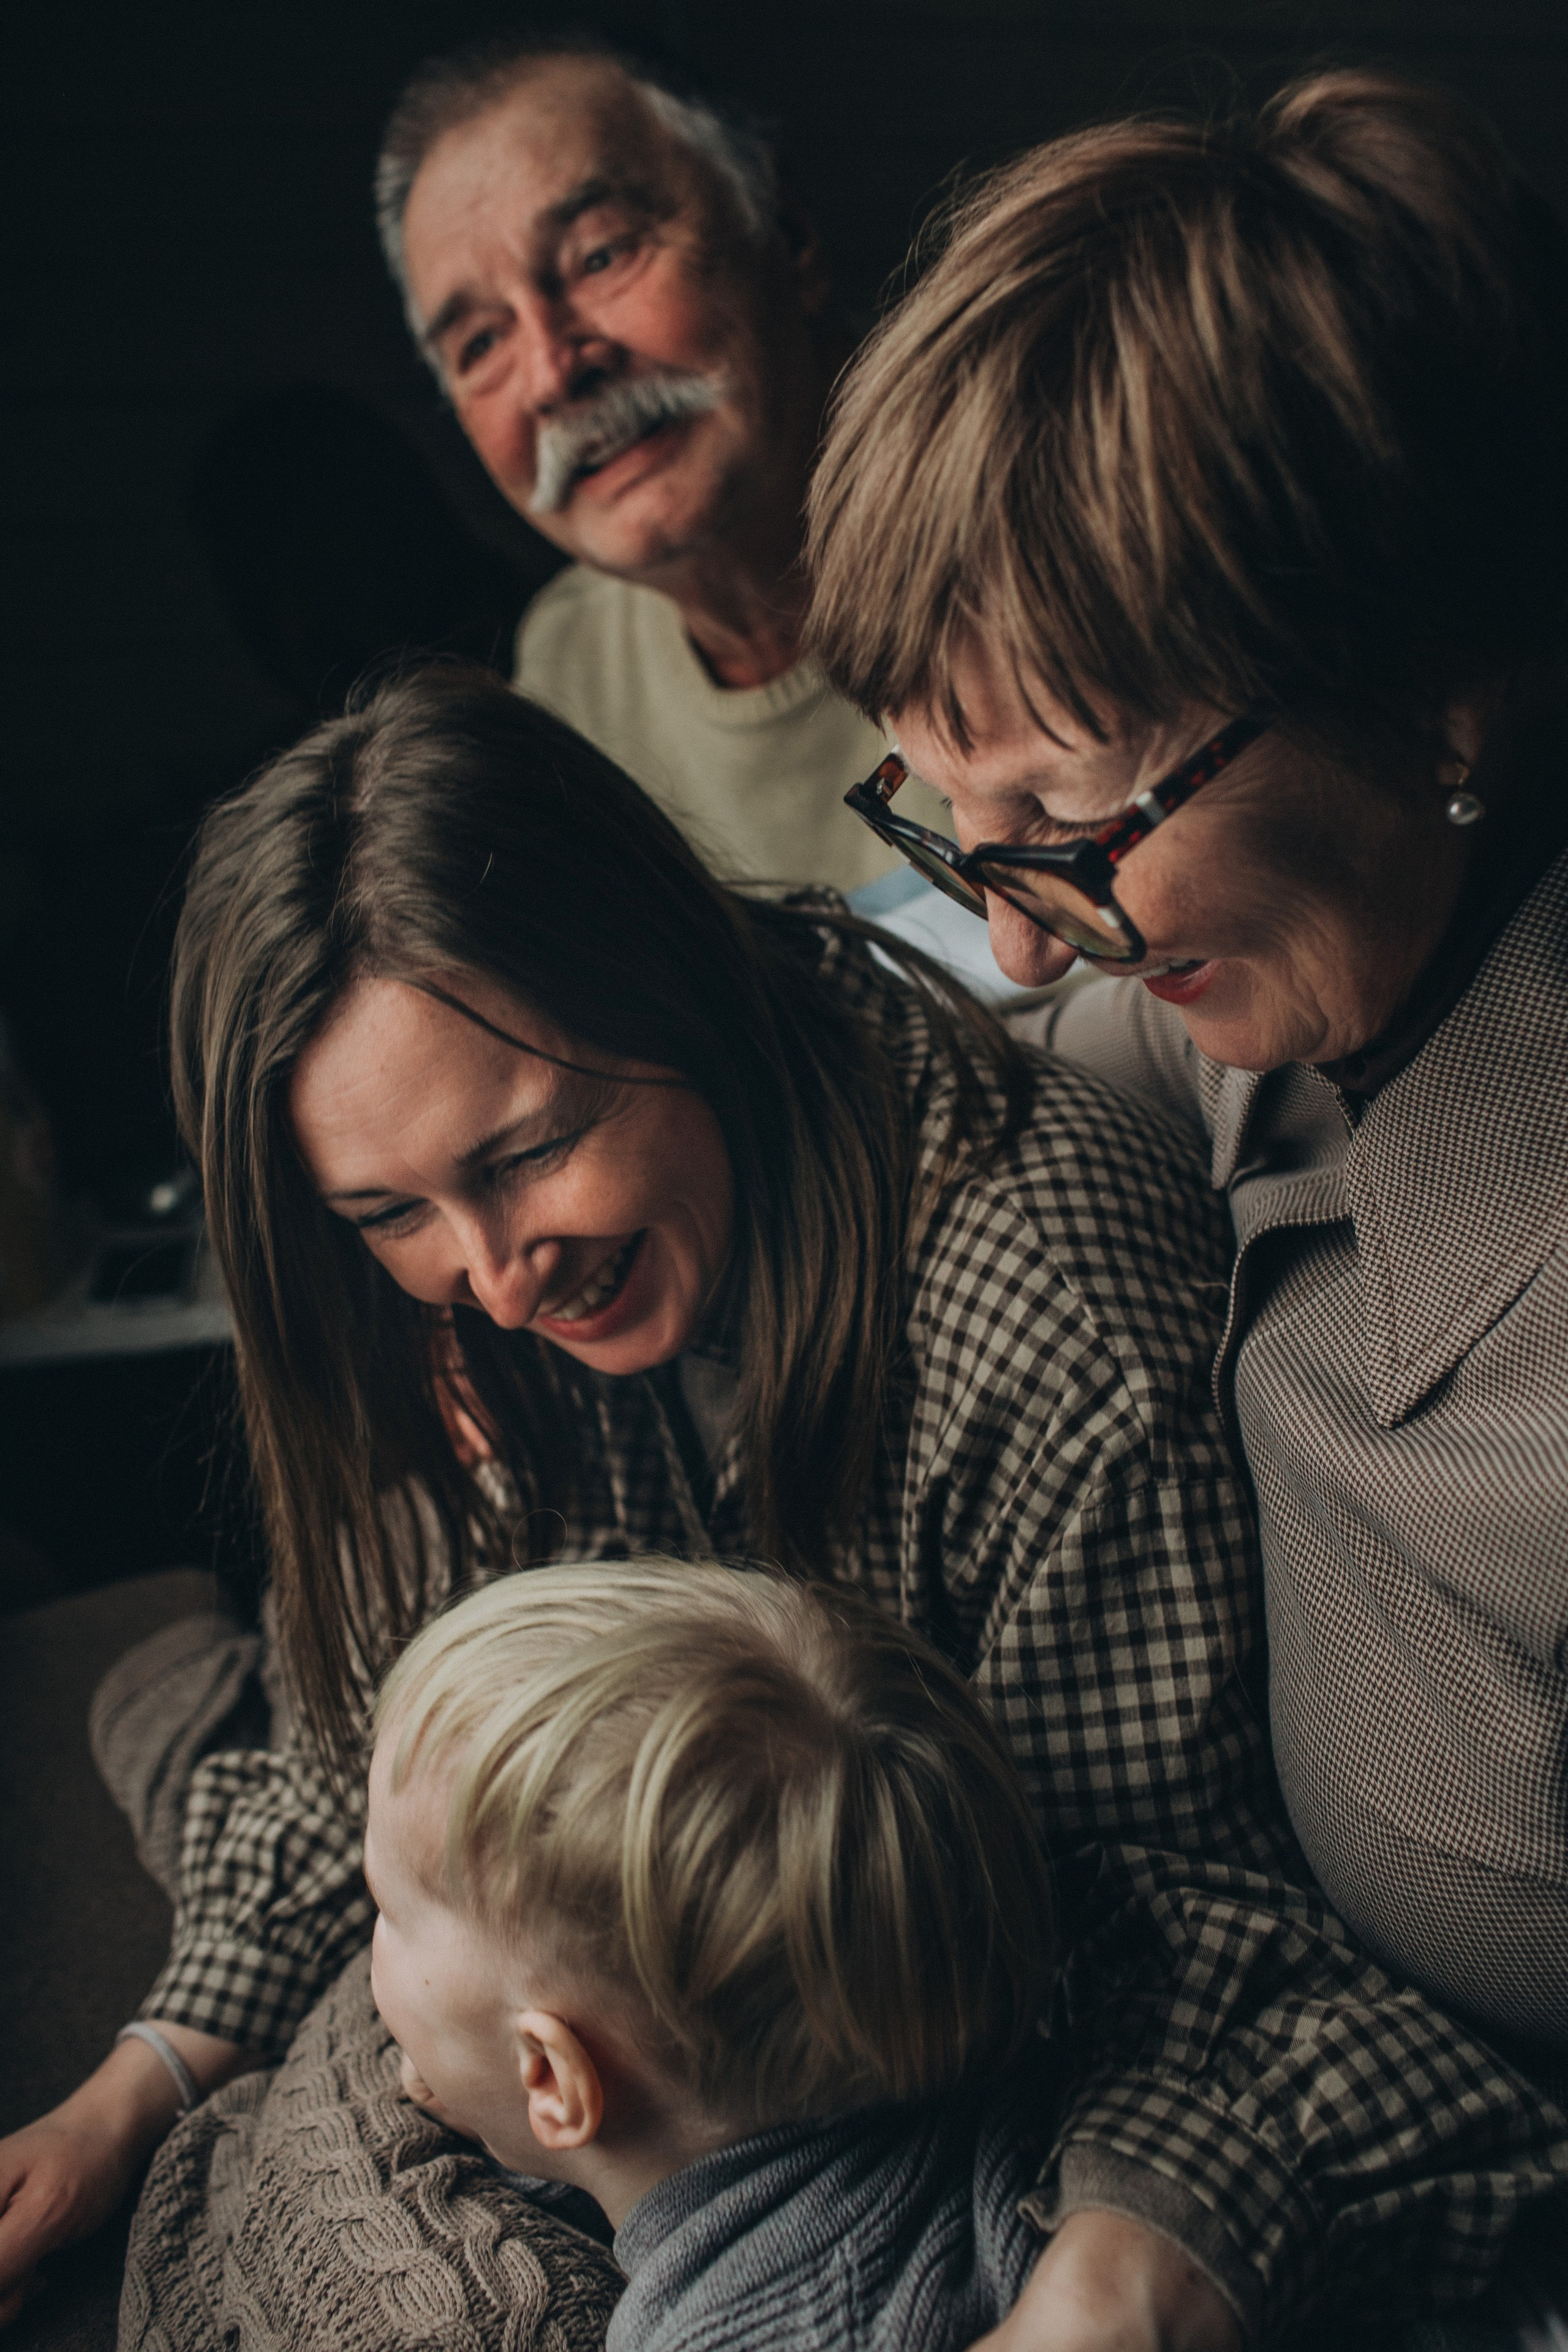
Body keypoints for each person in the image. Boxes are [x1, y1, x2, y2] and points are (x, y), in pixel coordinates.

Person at [0, 668, 1553, 2352]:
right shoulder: (440, 1319)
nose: (496, 1281)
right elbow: (372, 1739)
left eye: (533, 1150)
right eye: (389, 1210)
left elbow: (1179, 1938)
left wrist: (1117, 2277)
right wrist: (132, 2086)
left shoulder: (1037, 1313)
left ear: (679, 991)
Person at [807, 59, 1568, 2324]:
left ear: (1436, 699)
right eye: (949, 826)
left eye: (1062, 827)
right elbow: (938, 1046)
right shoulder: (1279, 981)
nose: (1019, 934)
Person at [366, 1556, 1055, 2352]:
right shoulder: (1017, 2108)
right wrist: (487, 2094)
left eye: (386, 1909)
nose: (367, 1937)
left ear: (552, 2078)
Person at [372, 33, 949, 892]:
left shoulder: (1059, 503)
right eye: (482, 341)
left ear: (787, 237)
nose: (553, 372)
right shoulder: (573, 676)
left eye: (601, 255)